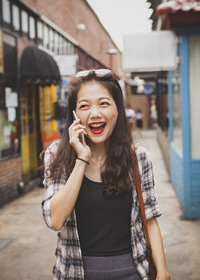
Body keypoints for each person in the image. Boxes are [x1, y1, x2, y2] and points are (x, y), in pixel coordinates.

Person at [41, 69, 170, 280]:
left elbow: (150, 218)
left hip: (133, 272)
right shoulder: (57, 155)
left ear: (118, 110)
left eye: (103, 103)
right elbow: (55, 219)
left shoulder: (137, 158)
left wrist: (163, 271)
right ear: (74, 114)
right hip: (76, 274)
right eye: (84, 106)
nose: (95, 113)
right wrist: (81, 159)